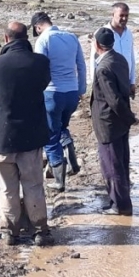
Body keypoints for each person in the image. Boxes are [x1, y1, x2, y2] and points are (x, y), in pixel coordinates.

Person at [0, 22, 53, 247]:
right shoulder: (40, 62)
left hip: (2, 136)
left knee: (6, 187)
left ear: (6, 39)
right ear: (26, 38)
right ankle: (40, 231)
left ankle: (9, 232)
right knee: (33, 185)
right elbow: (43, 83)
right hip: (31, 135)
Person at [30, 12, 87, 193]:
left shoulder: (43, 40)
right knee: (62, 127)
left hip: (52, 93)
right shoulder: (71, 37)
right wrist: (81, 89)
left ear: (38, 27)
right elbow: (81, 65)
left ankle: (59, 181)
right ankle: (73, 162)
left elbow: (39, 68)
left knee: (50, 135)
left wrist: (36, 92)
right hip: (71, 92)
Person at [91, 27, 138, 216]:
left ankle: (120, 205)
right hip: (119, 124)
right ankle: (118, 201)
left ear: (96, 45)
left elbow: (114, 99)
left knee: (112, 166)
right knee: (120, 162)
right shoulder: (119, 59)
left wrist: (130, 118)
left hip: (108, 123)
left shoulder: (103, 68)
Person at [89, 3, 136, 98]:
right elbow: (93, 61)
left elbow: (132, 58)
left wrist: (132, 82)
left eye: (126, 15)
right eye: (121, 15)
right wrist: (95, 84)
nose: (124, 18)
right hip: (108, 82)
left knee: (123, 109)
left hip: (124, 81)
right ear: (113, 15)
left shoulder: (129, 34)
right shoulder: (102, 33)